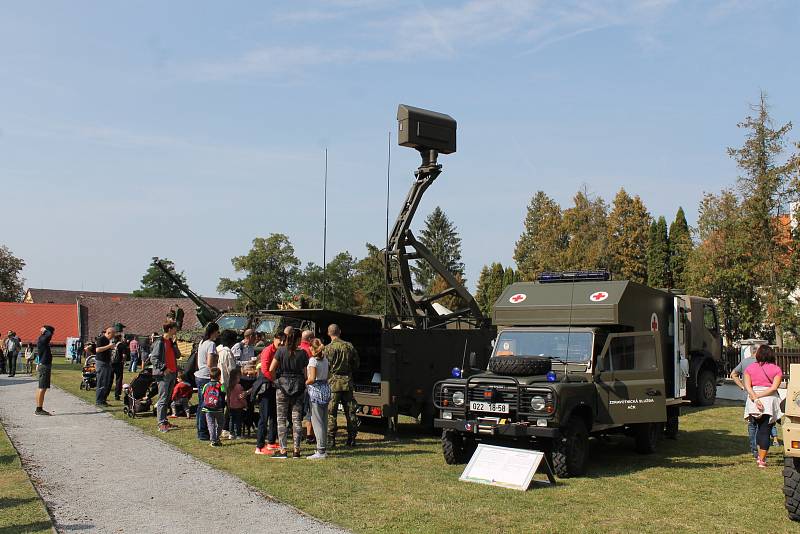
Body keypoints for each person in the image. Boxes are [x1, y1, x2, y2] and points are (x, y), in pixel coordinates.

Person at [269, 329, 308, 459]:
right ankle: (297, 450)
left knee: (281, 419)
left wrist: (276, 382)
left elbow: (271, 369)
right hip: (298, 388)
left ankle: (283, 450)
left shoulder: (280, 351)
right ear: (298, 340)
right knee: (296, 419)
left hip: (282, 387)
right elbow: (306, 374)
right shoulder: (302, 353)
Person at [743, 344, 783, 468]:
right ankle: (762, 459)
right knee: (765, 430)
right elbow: (774, 388)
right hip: (769, 401)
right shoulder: (776, 369)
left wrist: (755, 397)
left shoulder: (749, 368)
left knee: (757, 428)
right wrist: (761, 396)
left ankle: (758, 455)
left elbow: (748, 386)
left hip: (753, 400)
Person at [324, 323, 360, 448]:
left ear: (329, 333)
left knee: (331, 412)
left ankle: (331, 439)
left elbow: (325, 367)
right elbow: (356, 364)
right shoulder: (348, 346)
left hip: (333, 383)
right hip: (347, 382)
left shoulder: (327, 349)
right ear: (340, 332)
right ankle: (352, 438)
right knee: (350, 411)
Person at [253, 333, 284, 456]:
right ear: (275, 339)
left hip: (274, 386)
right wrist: (275, 380)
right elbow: (265, 370)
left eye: (283, 341)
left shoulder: (280, 351)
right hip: (266, 387)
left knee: (274, 415)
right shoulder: (267, 351)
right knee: (264, 417)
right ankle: (259, 446)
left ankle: (271, 442)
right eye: (279, 340)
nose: (281, 343)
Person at [150, 321, 181, 433]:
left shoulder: (170, 342)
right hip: (164, 374)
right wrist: (164, 368)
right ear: (169, 329)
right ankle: (161, 423)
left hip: (172, 373)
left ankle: (164, 420)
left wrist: (174, 344)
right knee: (162, 399)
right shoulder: (160, 342)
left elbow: (178, 355)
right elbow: (154, 358)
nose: (176, 330)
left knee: (167, 398)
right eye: (175, 328)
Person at [306, 338, 330, 459]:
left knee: (317, 422)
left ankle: (320, 450)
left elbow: (312, 378)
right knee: (324, 421)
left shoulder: (313, 361)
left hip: (316, 391)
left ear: (312, 348)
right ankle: (323, 447)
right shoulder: (325, 360)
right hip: (325, 389)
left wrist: (304, 382)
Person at [195, 322, 220, 441]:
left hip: (199, 375)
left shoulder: (202, 342)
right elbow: (210, 363)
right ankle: (203, 431)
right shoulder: (211, 344)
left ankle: (201, 430)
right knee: (206, 405)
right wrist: (215, 374)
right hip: (206, 376)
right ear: (213, 332)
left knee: (201, 404)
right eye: (217, 331)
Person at [216, 330, 237, 439]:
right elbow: (232, 370)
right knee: (229, 406)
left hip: (221, 382)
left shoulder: (220, 351)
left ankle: (221, 427)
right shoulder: (227, 353)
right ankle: (225, 428)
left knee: (223, 406)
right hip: (227, 383)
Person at [201, 367, 226, 447]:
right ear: (219, 376)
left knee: (211, 425)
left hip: (207, 409)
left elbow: (203, 394)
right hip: (218, 409)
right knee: (221, 423)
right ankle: (217, 437)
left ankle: (213, 440)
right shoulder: (221, 385)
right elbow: (224, 393)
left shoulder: (206, 385)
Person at [299, 329, 315, 443]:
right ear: (309, 339)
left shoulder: (297, 348)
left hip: (295, 384)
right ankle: (310, 435)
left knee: (297, 411)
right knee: (310, 410)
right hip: (307, 383)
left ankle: (297, 434)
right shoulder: (309, 351)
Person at [35, 325, 55, 415]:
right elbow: (49, 334)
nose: (52, 335)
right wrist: (45, 330)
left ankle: (39, 408)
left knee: (42, 387)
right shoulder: (43, 339)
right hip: (44, 366)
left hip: (44, 365)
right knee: (42, 387)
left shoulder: (42, 339)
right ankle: (39, 409)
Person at [94, 326, 117, 406]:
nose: (114, 336)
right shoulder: (101, 339)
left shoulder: (108, 340)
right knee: (102, 382)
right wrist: (109, 346)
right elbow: (97, 350)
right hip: (101, 363)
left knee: (106, 382)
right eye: (113, 334)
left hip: (106, 363)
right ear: (108, 333)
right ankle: (99, 401)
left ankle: (103, 399)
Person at [227, 368, 246, 439]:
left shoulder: (229, 387)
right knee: (238, 421)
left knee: (231, 421)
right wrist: (245, 404)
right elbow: (241, 397)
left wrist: (228, 405)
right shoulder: (239, 387)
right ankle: (238, 434)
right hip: (239, 407)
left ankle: (231, 434)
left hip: (231, 407)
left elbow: (228, 398)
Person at [111, 332, 129, 401]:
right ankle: (117, 395)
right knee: (118, 379)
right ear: (120, 338)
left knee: (110, 379)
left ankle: (105, 394)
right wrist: (123, 361)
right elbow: (124, 355)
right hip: (118, 364)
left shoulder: (112, 345)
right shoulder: (122, 345)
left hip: (111, 363)